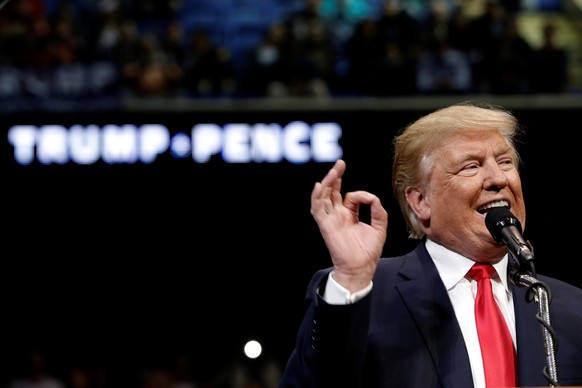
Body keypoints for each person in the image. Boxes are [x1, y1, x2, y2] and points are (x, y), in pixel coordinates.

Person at [278, 101, 582, 387]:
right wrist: (351, 278)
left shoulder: (569, 307)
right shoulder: (367, 296)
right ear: (421, 201)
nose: (497, 178)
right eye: (471, 166)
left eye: (504, 162)